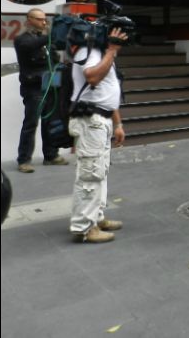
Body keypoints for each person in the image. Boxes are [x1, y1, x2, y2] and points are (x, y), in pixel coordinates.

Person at [68, 27, 128, 244]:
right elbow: (92, 78)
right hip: (90, 121)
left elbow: (108, 92)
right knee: (90, 175)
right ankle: (84, 227)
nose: (120, 39)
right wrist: (111, 51)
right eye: (117, 35)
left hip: (100, 121)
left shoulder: (100, 53)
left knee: (99, 173)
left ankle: (96, 217)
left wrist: (118, 124)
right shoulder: (90, 51)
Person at [14, 9, 69, 173]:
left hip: (49, 85)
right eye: (39, 20)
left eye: (45, 20)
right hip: (33, 89)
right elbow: (30, 47)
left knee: (49, 121)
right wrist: (52, 35)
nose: (44, 23)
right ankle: (24, 160)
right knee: (31, 124)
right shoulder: (22, 39)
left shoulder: (44, 41)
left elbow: (54, 57)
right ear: (29, 20)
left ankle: (51, 155)